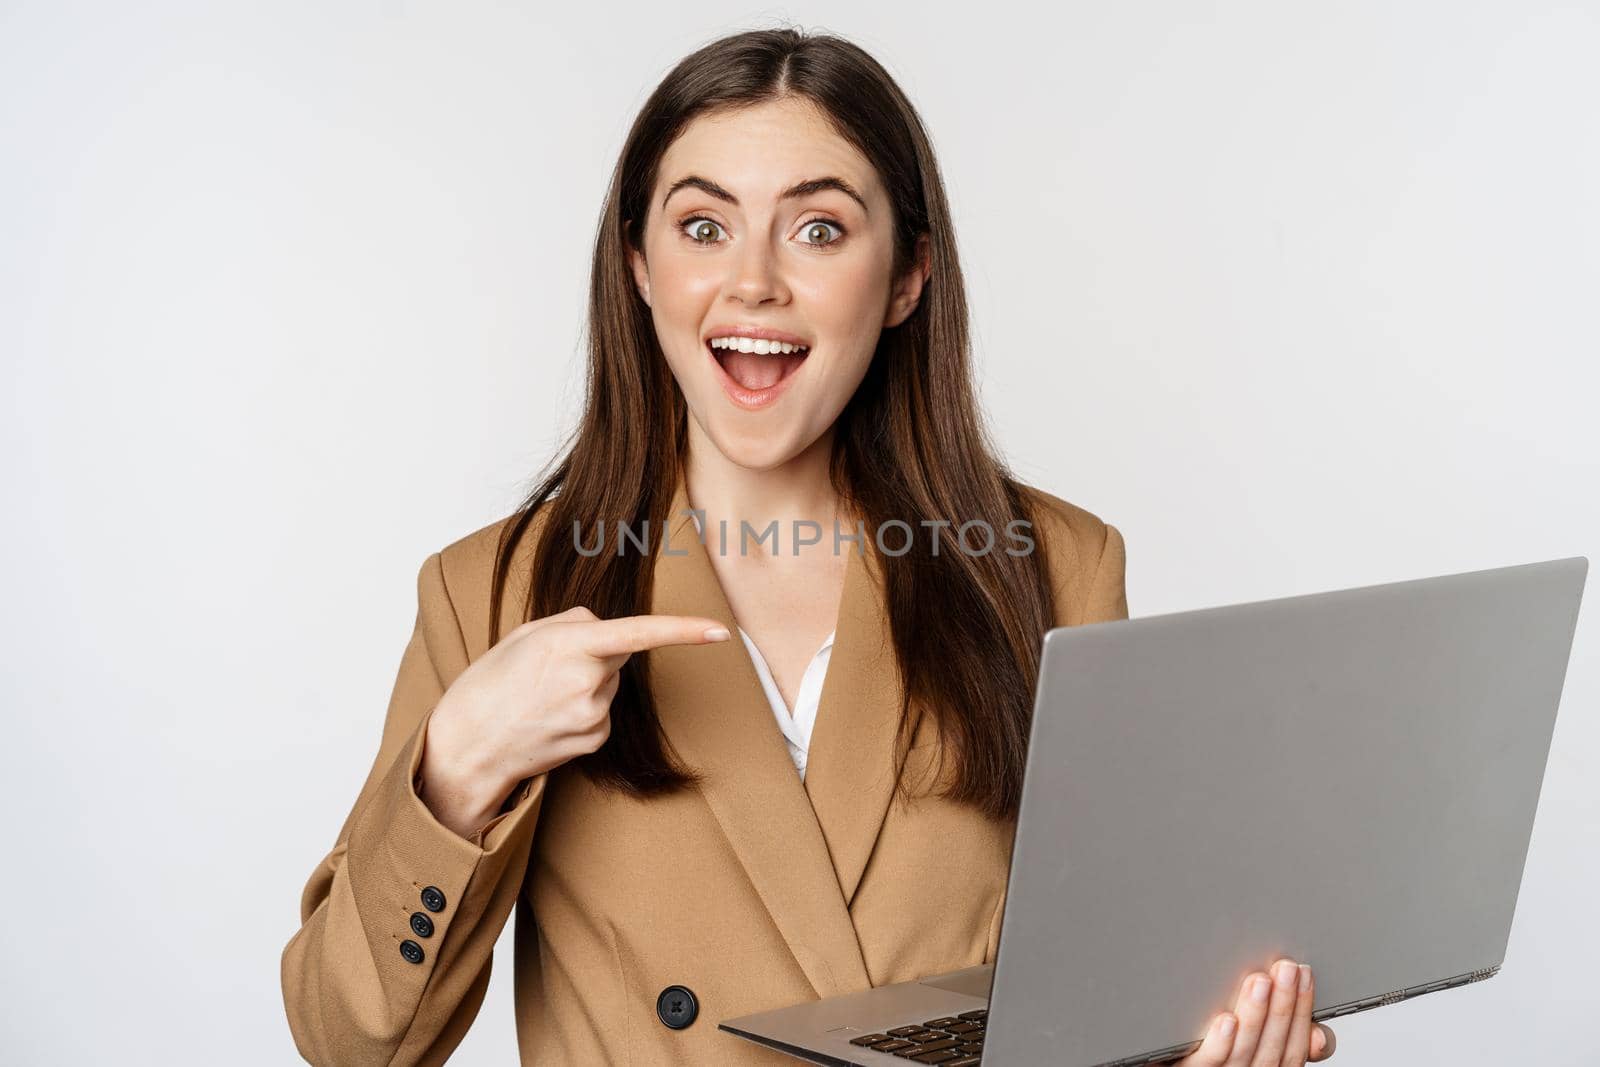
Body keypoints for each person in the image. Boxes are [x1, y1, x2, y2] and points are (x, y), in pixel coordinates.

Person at [280, 26, 1337, 1067]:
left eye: (818, 230)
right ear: (639, 265)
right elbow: (350, 1041)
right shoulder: (499, 590)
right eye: (703, 226)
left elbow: (1105, 987)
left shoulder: (1048, 564)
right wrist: (455, 774)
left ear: (908, 277)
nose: (753, 283)